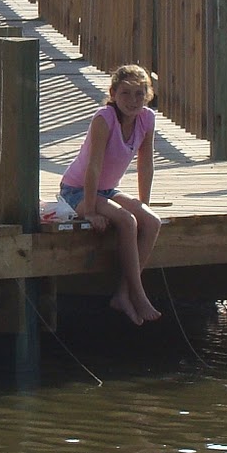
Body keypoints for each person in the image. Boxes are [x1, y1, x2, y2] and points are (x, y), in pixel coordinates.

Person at [58, 64, 162, 325]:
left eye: (140, 94)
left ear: (148, 95)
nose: (133, 101)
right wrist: (90, 210)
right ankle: (138, 294)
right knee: (127, 221)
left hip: (107, 189)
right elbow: (93, 167)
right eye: (125, 94)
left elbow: (145, 164)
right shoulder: (104, 119)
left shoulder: (146, 119)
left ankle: (123, 293)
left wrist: (143, 203)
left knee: (151, 221)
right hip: (77, 190)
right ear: (114, 93)